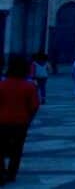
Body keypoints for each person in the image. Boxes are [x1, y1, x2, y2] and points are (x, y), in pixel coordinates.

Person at [0, 56, 40, 185]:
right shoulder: (29, 86)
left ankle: (1, 171)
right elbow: (34, 106)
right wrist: (29, 119)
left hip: (2, 121)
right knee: (17, 149)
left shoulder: (2, 85)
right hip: (21, 122)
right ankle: (12, 174)